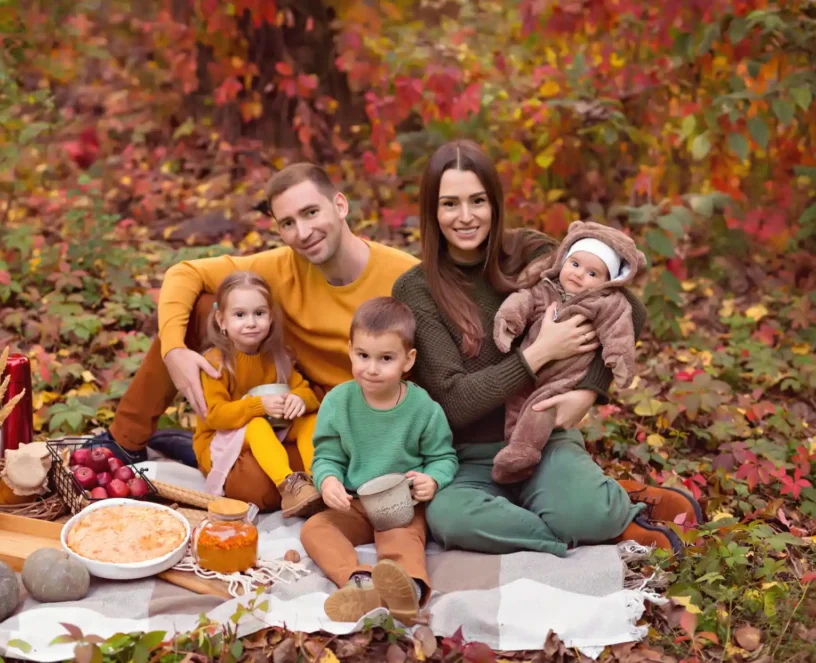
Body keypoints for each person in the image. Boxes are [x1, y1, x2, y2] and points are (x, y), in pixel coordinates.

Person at [392, 139, 703, 556]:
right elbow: (454, 402)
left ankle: (589, 505)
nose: (465, 217)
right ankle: (585, 519)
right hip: (465, 457)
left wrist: (588, 390)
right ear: (432, 211)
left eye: (478, 201)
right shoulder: (417, 289)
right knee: (449, 519)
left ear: (495, 203)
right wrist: (539, 354)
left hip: (543, 437)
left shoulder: (529, 252)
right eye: (450, 204)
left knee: (577, 507)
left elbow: (629, 308)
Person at [93, 163, 419, 511]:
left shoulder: (404, 276)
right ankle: (126, 440)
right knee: (204, 305)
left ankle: (194, 448)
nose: (304, 232)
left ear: (340, 205)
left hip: (359, 414)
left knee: (259, 490)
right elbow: (185, 272)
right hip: (288, 405)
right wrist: (174, 350)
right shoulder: (283, 266)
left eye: (311, 213)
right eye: (288, 223)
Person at [301, 297, 457, 625]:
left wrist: (433, 479)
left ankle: (407, 588)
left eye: (385, 358)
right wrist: (327, 480)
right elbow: (326, 456)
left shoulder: (422, 408)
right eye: (363, 356)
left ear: (407, 360)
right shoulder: (338, 402)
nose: (372, 368)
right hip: (355, 502)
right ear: (350, 350)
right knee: (316, 529)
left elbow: (443, 457)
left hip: (401, 504)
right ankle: (360, 582)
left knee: (404, 540)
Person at [490, 220, 647, 484]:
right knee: (515, 406)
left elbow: (619, 330)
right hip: (527, 371)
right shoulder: (546, 288)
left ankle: (521, 456)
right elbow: (522, 300)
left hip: (564, 381)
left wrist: (617, 361)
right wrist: (509, 322)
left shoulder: (605, 303)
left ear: (608, 282)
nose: (578, 274)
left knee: (538, 411)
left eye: (592, 273)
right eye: (574, 264)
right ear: (563, 260)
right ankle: (512, 454)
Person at [193, 271, 323, 518]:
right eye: (240, 315)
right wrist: (258, 406)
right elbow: (215, 416)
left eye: (259, 313)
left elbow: (306, 391)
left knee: (310, 419)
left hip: (271, 428)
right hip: (220, 440)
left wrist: (299, 399)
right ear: (221, 320)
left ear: (270, 317)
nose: (251, 322)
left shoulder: (277, 356)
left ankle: (316, 481)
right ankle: (288, 486)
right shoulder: (216, 363)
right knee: (256, 425)